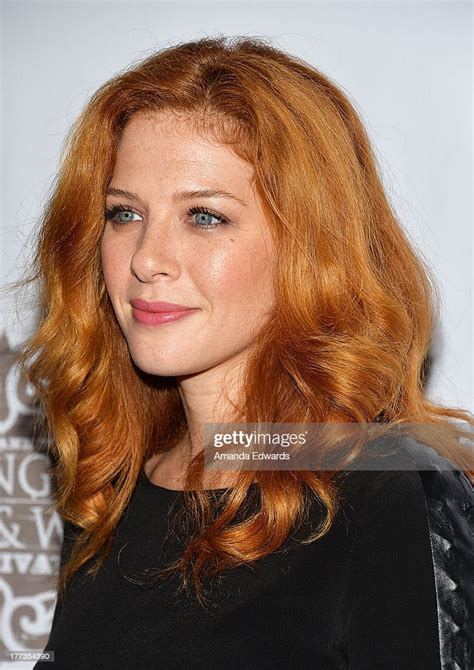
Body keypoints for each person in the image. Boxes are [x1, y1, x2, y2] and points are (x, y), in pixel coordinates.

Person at [12, 35, 472, 668]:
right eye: (123, 215)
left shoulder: (385, 489)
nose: (146, 258)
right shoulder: (108, 492)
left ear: (309, 249)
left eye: (203, 216)